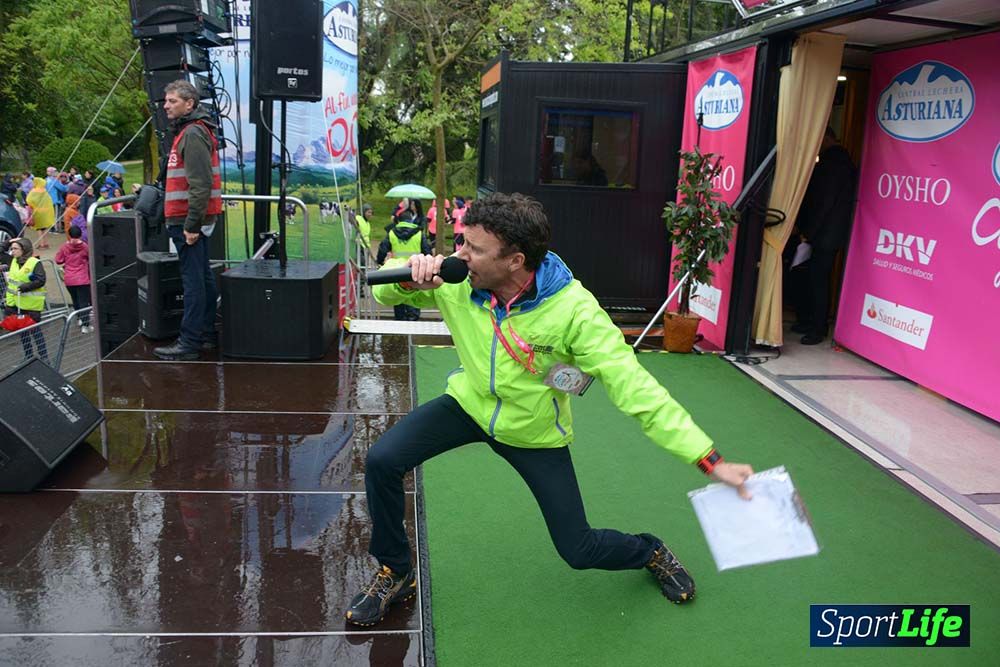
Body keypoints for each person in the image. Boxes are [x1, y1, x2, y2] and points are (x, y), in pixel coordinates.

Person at [344, 192, 754, 627]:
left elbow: (637, 388)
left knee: (579, 550)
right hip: (468, 406)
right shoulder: (458, 279)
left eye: (474, 249)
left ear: (515, 260)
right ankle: (397, 571)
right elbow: (389, 293)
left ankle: (649, 550)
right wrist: (410, 279)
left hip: (532, 430)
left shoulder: (576, 312)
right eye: (462, 242)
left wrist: (710, 461)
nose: (460, 255)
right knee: (383, 460)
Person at [152, 79, 222, 361]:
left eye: (172, 101)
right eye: (166, 101)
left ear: (189, 103)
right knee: (202, 278)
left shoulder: (192, 134)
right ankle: (205, 335)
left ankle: (189, 343)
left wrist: (192, 225)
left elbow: (200, 184)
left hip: (187, 221)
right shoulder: (192, 131)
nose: (166, 106)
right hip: (189, 219)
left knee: (193, 282)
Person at [792, 127, 857, 345]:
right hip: (829, 233)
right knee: (814, 278)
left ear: (826, 138)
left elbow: (823, 202)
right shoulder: (842, 161)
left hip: (824, 234)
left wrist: (807, 232)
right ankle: (811, 322)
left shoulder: (832, 164)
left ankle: (817, 327)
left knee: (817, 280)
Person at [376, 207, 431, 322]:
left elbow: (382, 249)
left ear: (399, 221)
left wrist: (380, 261)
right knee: (414, 296)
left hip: (398, 271)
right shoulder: (419, 233)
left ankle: (400, 321)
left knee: (398, 296)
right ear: (411, 220)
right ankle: (413, 320)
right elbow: (427, 252)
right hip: (415, 270)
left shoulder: (392, 233)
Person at [2, 237, 49, 361]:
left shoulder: (34, 262)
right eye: (12, 249)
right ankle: (28, 356)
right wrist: (10, 241)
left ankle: (44, 357)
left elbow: (41, 280)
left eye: (16, 248)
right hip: (16, 304)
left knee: (36, 332)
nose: (13, 251)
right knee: (22, 332)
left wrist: (24, 287)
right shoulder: (13, 261)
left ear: (24, 249)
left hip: (32, 305)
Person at [55, 225, 92, 332]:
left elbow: (58, 260)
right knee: (84, 302)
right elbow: (91, 257)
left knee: (75, 300)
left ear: (69, 235)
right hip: (83, 278)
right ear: (80, 234)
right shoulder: (85, 246)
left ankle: (80, 319)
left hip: (69, 279)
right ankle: (85, 325)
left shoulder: (64, 247)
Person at [26, 177, 56, 249]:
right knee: (44, 228)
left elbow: (28, 200)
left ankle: (41, 244)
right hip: (45, 212)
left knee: (39, 229)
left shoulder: (34, 191)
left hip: (37, 212)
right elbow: (49, 201)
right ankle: (46, 243)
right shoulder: (44, 191)